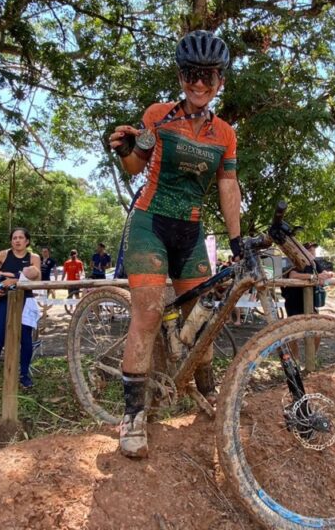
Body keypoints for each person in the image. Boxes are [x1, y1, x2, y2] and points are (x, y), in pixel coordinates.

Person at [107, 29, 241, 459]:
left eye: (208, 75)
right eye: (190, 74)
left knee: (200, 322)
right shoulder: (159, 115)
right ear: (181, 76)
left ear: (220, 80)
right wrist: (124, 148)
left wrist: (238, 243)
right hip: (150, 223)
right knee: (147, 314)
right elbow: (134, 166)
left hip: (191, 231)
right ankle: (132, 415)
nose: (198, 84)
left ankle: (207, 391)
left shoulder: (225, 134)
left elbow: (228, 187)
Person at [0, 227, 41, 396]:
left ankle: (24, 375)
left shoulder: (34, 258)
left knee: (25, 340)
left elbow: (38, 281)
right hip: (5, 301)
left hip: (25, 302)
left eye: (20, 238)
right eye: (14, 238)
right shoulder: (3, 255)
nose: (17, 240)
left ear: (27, 241)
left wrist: (16, 279)